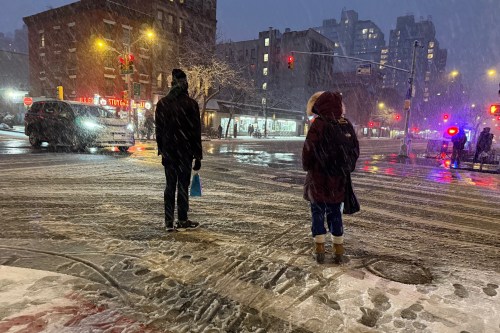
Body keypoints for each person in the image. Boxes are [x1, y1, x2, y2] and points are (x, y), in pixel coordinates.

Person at [302, 91, 359, 264]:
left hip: (318, 179)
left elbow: (308, 152)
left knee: (318, 212)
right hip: (338, 179)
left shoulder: (318, 124)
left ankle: (319, 248)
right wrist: (343, 168)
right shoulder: (345, 123)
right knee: (335, 212)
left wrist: (309, 167)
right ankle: (338, 248)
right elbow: (355, 151)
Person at [155, 69, 202, 231]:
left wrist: (162, 150)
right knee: (182, 186)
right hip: (185, 153)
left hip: (169, 153)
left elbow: (159, 131)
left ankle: (168, 221)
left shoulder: (162, 104)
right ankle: (182, 219)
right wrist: (197, 156)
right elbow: (196, 132)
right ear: (185, 84)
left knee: (170, 186)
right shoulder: (191, 104)